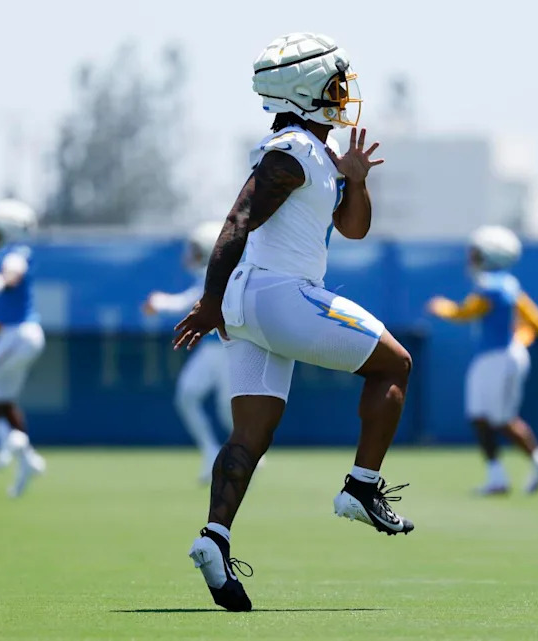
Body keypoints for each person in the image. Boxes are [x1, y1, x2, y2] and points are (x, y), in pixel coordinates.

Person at [174, 32, 414, 612]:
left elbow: (354, 229)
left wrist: (355, 179)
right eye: (334, 83)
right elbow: (235, 222)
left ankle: (215, 539)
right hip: (282, 296)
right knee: (396, 363)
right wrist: (208, 300)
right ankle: (361, 486)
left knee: (250, 435)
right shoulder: (293, 151)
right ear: (306, 91)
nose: (342, 92)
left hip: (252, 306)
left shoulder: (312, 153)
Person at [427, 226, 538, 495]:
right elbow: (530, 311)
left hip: (500, 357)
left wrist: (441, 308)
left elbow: (466, 312)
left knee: (501, 418)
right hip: (490, 358)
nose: (471, 257)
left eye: (476, 252)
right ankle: (497, 477)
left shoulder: (490, 286)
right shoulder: (505, 283)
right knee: (479, 416)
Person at [144, 222, 232, 484]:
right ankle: (210, 452)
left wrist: (160, 302)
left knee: (228, 410)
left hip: (231, 350)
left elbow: (193, 302)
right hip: (211, 351)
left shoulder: (223, 273)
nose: (190, 254)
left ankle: (249, 452)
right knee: (186, 396)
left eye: (196, 248)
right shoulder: (208, 273)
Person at [0, 199, 46, 498]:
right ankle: (26, 459)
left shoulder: (14, 254)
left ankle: (7, 439)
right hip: (16, 335)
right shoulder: (1, 256)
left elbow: (11, 276)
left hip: (19, 335)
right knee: (5, 399)